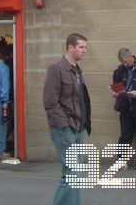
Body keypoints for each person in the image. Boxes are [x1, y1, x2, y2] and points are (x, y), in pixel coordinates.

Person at [43, 32, 91, 205]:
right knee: (71, 173)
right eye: (81, 47)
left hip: (79, 128)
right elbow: (50, 101)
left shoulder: (77, 70)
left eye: (85, 47)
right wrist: (64, 125)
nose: (85, 50)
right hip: (66, 129)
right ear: (71, 47)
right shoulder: (56, 69)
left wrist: (84, 125)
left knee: (74, 174)